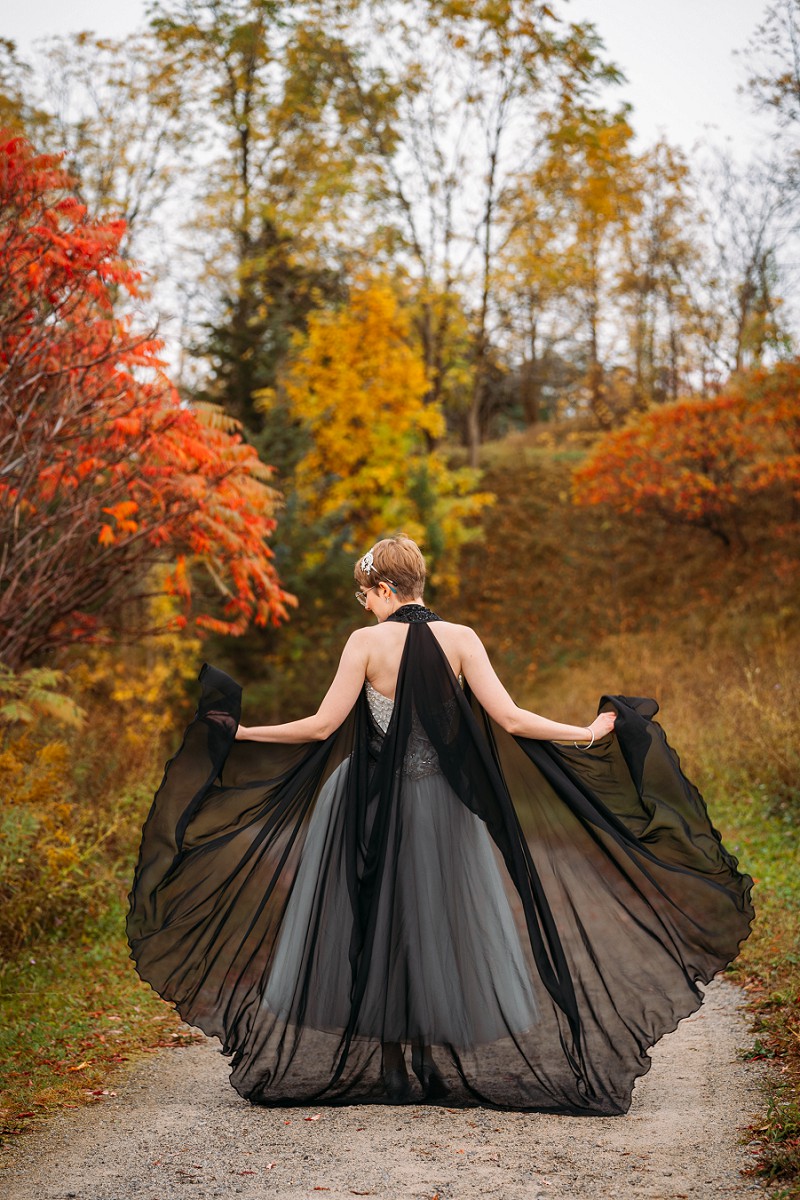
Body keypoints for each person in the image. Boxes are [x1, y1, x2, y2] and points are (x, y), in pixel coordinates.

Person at [128, 535, 754, 1114]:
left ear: (382, 590)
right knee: (437, 921)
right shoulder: (462, 638)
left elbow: (319, 729)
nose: (364, 605)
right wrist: (586, 733)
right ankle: (430, 1063)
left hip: (367, 801)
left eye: (364, 594)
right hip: (444, 805)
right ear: (417, 585)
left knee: (377, 917)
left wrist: (240, 733)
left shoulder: (364, 643)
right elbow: (512, 719)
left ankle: (393, 1066)